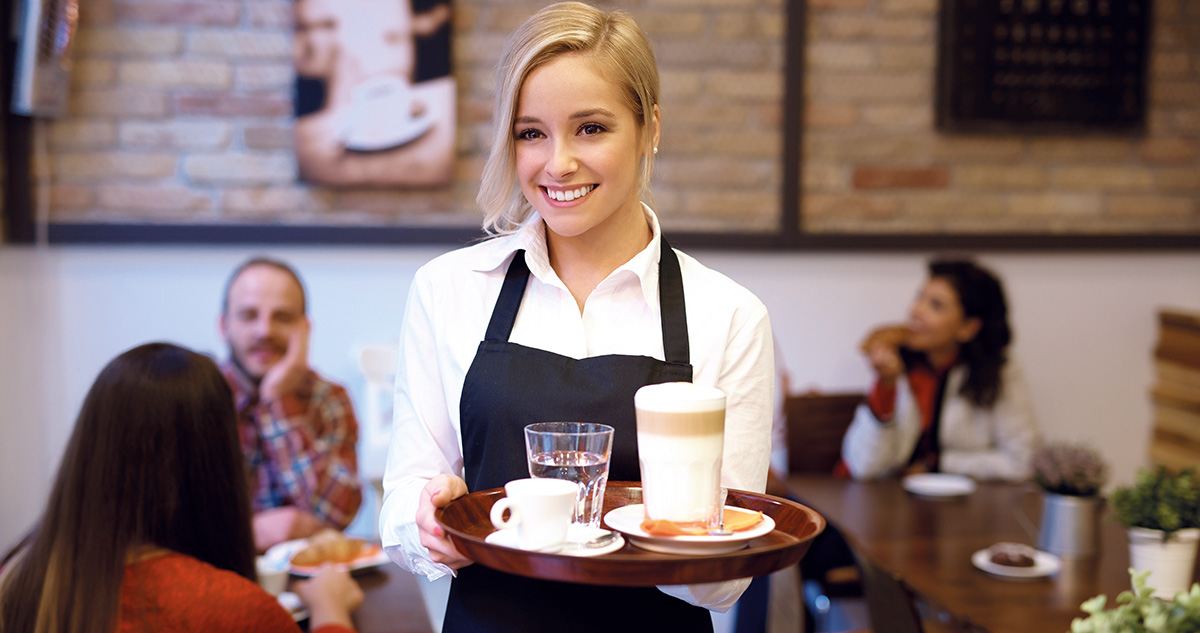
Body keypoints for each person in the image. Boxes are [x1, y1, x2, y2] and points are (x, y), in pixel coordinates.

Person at [377, 3, 775, 631]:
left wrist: (661, 535)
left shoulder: (728, 315)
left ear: (650, 130)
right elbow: (403, 500)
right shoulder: (449, 290)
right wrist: (425, 522)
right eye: (530, 132)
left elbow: (726, 582)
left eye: (591, 128)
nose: (557, 163)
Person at [0, 342, 363, 632]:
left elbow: (337, 507)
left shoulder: (18, 579)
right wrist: (331, 614)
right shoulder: (236, 611)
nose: (264, 331)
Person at [841, 258, 1041, 481]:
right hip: (890, 500)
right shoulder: (898, 365)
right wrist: (885, 386)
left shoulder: (998, 371)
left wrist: (938, 464)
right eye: (920, 297)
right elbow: (864, 467)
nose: (916, 311)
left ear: (968, 327)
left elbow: (1024, 461)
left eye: (936, 305)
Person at [219, 257, 363, 552]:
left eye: (282, 317)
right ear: (224, 326)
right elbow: (167, 527)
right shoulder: (196, 398)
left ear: (304, 329)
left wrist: (277, 400)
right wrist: (250, 534)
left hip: (308, 582)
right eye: (248, 315)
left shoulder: (329, 398)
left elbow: (337, 514)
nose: (264, 331)